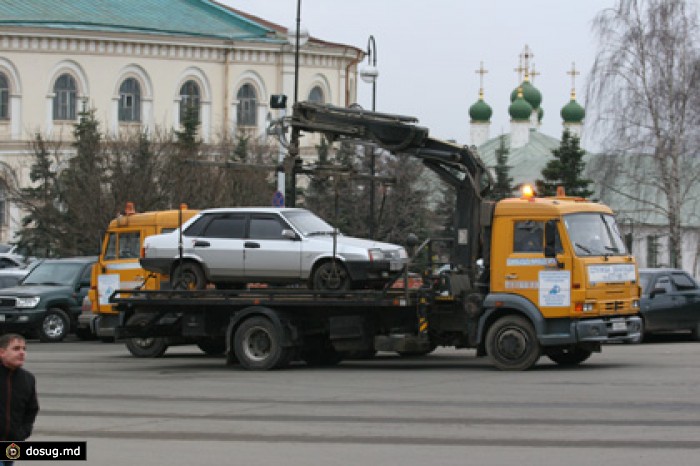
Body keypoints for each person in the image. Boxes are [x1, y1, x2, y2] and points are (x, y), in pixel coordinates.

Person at [0, 333, 40, 466]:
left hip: (11, 446)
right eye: (16, 349)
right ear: (2, 352)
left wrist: (22, 433)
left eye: (24, 349)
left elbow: (31, 409)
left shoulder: (28, 379)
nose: (22, 353)